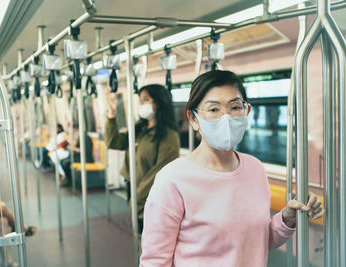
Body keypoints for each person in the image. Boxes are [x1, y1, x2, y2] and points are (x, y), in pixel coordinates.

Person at [140, 70, 324, 266]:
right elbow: (155, 261)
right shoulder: (172, 179)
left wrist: (287, 219)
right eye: (213, 110)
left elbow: (260, 240)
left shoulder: (255, 168)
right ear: (193, 119)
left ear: (247, 111)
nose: (226, 117)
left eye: (235, 107)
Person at [105, 84, 180, 233]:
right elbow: (113, 142)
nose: (141, 104)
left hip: (149, 194)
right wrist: (112, 113)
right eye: (140, 100)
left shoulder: (169, 136)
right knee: (140, 233)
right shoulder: (140, 130)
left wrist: (137, 198)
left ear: (158, 103)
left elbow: (159, 173)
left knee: (151, 236)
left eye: (145, 100)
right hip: (133, 187)